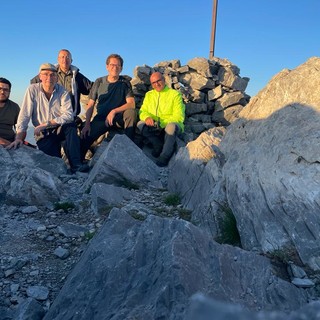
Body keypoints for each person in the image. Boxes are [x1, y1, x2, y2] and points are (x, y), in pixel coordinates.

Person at [6, 63, 89, 173]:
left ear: (56, 77)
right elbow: (25, 115)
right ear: (40, 76)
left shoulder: (62, 91)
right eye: (45, 74)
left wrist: (47, 123)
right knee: (56, 166)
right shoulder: (32, 90)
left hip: (59, 128)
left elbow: (68, 115)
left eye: (52, 75)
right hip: (43, 133)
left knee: (71, 126)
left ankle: (76, 165)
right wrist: (19, 138)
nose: (49, 78)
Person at [80, 53, 136, 160]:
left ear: (121, 68)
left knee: (131, 112)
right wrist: (87, 124)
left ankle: (129, 147)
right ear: (107, 67)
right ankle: (78, 162)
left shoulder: (124, 83)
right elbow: (91, 104)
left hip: (119, 117)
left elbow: (131, 103)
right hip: (102, 118)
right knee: (85, 137)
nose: (114, 68)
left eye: (118, 65)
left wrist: (114, 111)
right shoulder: (99, 82)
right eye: (112, 65)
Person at [137, 72, 185, 167]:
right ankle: (157, 145)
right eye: (153, 82)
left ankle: (164, 156)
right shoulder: (149, 95)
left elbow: (179, 116)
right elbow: (142, 111)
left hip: (168, 125)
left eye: (159, 81)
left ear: (164, 80)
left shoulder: (175, 95)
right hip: (154, 126)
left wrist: (162, 123)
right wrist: (147, 118)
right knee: (140, 124)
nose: (157, 84)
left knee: (171, 128)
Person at [30, 49, 93, 119]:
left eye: (67, 57)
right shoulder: (51, 73)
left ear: (71, 61)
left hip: (70, 117)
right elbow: (34, 82)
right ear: (58, 59)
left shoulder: (77, 76)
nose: (65, 60)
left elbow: (91, 88)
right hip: (52, 117)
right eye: (62, 57)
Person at [0, 77, 20, 146]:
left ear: (9, 92)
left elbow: (20, 127)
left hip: (11, 141)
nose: (2, 92)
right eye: (0, 89)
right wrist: (5, 143)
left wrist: (18, 139)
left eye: (6, 90)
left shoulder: (14, 107)